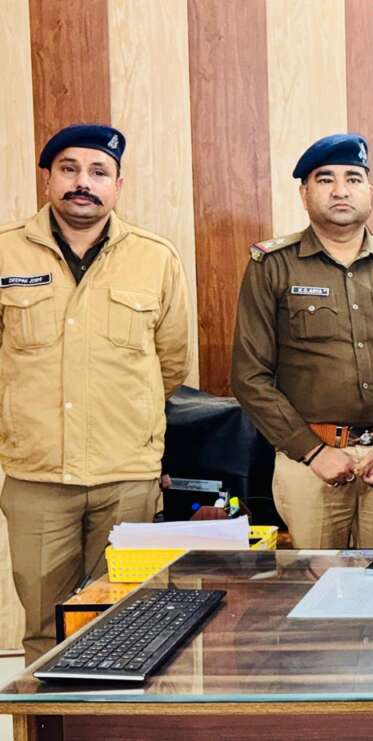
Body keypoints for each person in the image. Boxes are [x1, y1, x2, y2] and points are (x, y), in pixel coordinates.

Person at [0, 124, 191, 661]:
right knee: (46, 628)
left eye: (98, 171)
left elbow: (172, 361)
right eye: (69, 169)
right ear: (48, 179)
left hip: (126, 476)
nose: (83, 182)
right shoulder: (7, 253)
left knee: (129, 620)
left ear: (118, 186)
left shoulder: (155, 257)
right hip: (38, 477)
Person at [231, 133, 373, 550]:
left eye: (353, 178)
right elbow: (249, 376)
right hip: (309, 464)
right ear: (304, 193)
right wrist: (312, 452)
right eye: (325, 179)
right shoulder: (273, 266)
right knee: (316, 579)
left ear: (370, 192)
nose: (341, 190)